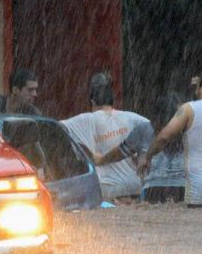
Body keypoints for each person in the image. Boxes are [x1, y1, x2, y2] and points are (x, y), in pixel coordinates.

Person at [139, 70, 202, 206]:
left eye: (198, 87)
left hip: (201, 186)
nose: (196, 92)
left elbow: (164, 137)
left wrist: (148, 157)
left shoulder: (188, 109)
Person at [61, 72, 149, 200]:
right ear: (112, 101)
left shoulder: (86, 120)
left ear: (92, 102)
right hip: (134, 187)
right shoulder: (132, 118)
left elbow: (55, 127)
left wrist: (83, 150)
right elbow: (155, 130)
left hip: (107, 189)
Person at [95, 94, 186, 203]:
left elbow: (120, 153)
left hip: (152, 191)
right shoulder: (188, 131)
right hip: (183, 189)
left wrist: (101, 160)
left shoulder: (144, 129)